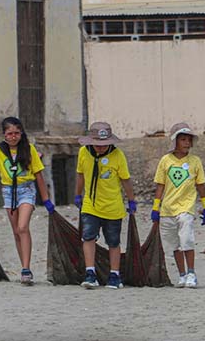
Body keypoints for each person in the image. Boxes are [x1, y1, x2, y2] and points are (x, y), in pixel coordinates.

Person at [0, 117, 54, 285]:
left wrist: (46, 199)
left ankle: (27, 268)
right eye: (10, 134)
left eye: (16, 133)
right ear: (4, 135)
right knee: (16, 232)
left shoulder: (29, 149)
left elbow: (38, 175)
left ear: (21, 133)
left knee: (22, 227)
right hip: (8, 191)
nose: (13, 137)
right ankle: (24, 267)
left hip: (26, 190)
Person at [75, 122, 136, 289]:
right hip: (90, 204)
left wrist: (131, 200)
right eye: (97, 145)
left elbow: (125, 180)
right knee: (88, 237)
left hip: (113, 207)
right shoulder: (83, 153)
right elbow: (80, 175)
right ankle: (90, 272)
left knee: (113, 241)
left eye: (104, 145)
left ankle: (114, 274)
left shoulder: (118, 155)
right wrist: (78, 194)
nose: (101, 148)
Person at [151, 122, 205, 288]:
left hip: (186, 208)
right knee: (174, 245)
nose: (186, 143)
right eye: (183, 139)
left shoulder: (195, 161)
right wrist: (156, 207)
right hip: (167, 209)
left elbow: (200, 185)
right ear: (175, 141)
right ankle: (182, 274)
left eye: (188, 140)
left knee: (187, 240)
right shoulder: (165, 161)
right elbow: (160, 185)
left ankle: (191, 272)